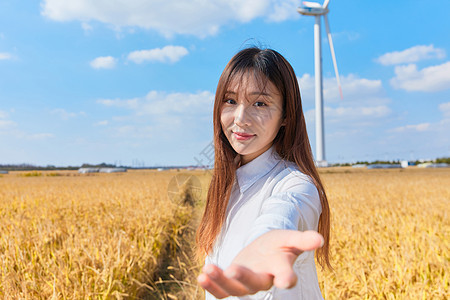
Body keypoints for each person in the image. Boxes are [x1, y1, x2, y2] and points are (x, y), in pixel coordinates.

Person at [196, 47, 331, 299]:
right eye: (230, 100)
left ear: (286, 116)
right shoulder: (226, 183)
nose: (240, 118)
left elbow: (282, 215)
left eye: (260, 103)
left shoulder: (297, 186)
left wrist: (265, 243)